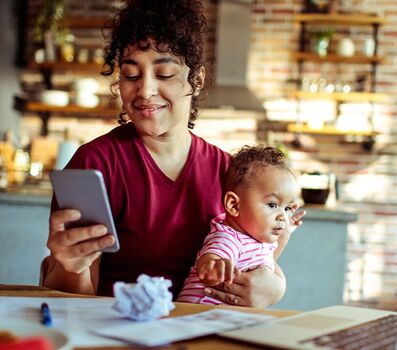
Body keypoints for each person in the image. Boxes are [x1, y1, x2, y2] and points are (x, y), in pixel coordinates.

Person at [42, 0, 305, 308]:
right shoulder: (94, 165)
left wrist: (274, 287)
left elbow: (255, 254)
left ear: (197, 80)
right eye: (130, 75)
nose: (145, 90)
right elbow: (71, 302)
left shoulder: (230, 172)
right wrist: (70, 267)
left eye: (164, 73)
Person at [177, 146, 298, 305]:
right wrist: (213, 267)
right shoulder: (230, 238)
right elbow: (212, 257)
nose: (283, 216)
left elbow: (270, 258)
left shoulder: (256, 241)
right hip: (197, 313)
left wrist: (286, 232)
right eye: (273, 205)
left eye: (287, 208)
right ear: (234, 205)